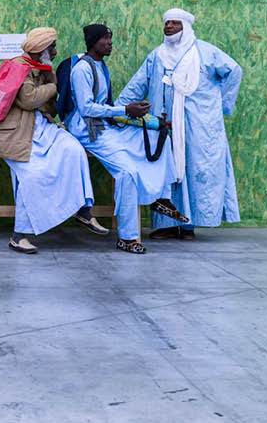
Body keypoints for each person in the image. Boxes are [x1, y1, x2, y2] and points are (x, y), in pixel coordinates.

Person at [119, 8, 242, 240]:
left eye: (174, 24)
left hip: (198, 126)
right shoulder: (157, 55)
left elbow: (234, 71)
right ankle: (166, 225)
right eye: (166, 24)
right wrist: (118, 110)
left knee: (193, 171)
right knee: (166, 172)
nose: (169, 27)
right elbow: (137, 85)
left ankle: (188, 226)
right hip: (165, 125)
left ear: (185, 27)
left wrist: (220, 105)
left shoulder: (205, 52)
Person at [64, 24, 188, 253]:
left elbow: (104, 107)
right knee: (127, 173)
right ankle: (128, 237)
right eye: (105, 39)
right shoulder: (82, 70)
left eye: (110, 38)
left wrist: (128, 112)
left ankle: (162, 197)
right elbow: (86, 108)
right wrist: (124, 110)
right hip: (89, 131)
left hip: (105, 125)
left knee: (158, 135)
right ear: (93, 42)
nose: (110, 43)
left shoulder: (101, 66)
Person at [0, 27, 109, 254]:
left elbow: (49, 108)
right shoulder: (19, 66)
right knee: (32, 175)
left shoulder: (41, 69)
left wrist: (50, 85)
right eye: (51, 47)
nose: (54, 51)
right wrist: (54, 85)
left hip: (41, 128)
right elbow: (28, 99)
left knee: (73, 149)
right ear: (40, 49)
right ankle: (19, 235)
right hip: (17, 134)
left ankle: (82, 209)